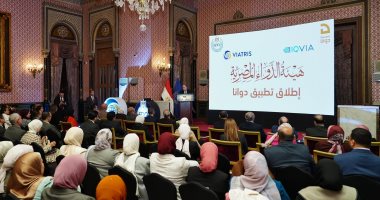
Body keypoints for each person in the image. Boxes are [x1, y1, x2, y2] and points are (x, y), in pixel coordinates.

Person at [150, 132, 199, 200]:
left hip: (158, 196)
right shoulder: (180, 162)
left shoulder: (152, 157)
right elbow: (196, 164)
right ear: (173, 144)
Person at [115, 133, 150, 200]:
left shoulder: (117, 159)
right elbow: (151, 182)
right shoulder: (144, 162)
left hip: (123, 195)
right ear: (137, 144)